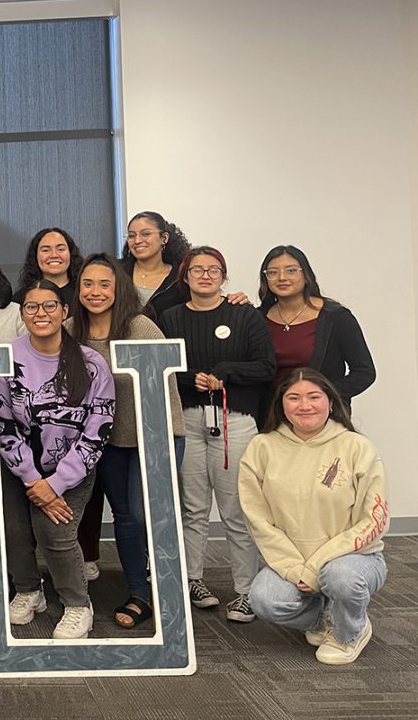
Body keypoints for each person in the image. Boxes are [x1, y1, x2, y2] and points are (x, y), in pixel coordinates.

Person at [158, 246, 275, 623]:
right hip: (187, 420)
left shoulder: (245, 316)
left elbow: (266, 367)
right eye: (197, 270)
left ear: (223, 276)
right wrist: (191, 379)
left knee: (236, 511)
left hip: (234, 421)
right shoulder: (170, 317)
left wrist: (226, 372)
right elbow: (161, 368)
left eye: (214, 270)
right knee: (192, 509)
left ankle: (245, 591)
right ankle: (194, 580)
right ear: (185, 277)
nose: (205, 276)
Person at [240, 369, 388, 665]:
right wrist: (297, 569)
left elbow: (374, 519)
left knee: (341, 577)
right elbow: (258, 520)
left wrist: (317, 565)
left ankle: (350, 633)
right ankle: (325, 616)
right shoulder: (261, 447)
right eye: (293, 397)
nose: (304, 405)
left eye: (314, 397)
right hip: (293, 560)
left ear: (331, 403)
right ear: (281, 404)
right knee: (263, 600)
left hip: (354, 559)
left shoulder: (357, 447)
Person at [70, 253, 183, 628]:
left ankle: (167, 589)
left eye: (105, 284)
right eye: (88, 284)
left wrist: (165, 439)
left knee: (145, 513)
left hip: (153, 436)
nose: (96, 291)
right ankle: (139, 592)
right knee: (125, 517)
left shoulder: (141, 327)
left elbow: (167, 391)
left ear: (119, 289)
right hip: (107, 441)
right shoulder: (69, 330)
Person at [0, 281, 115, 639]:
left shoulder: (92, 364)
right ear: (22, 314)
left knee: (54, 529)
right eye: (31, 307)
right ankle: (29, 591)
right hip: (19, 468)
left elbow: (99, 428)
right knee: (15, 530)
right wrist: (33, 478)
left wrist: (56, 483)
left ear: (65, 311)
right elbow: (2, 423)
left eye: (50, 306)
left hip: (73, 469)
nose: (41, 314)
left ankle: (78, 604)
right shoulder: (6, 357)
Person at [256, 245, 375, 408]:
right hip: (270, 417)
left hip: (323, 417)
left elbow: (364, 372)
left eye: (291, 270)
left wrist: (323, 396)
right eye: (273, 272)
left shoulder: (336, 317)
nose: (281, 277)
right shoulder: (257, 318)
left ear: (306, 275)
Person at [119, 211, 192, 318]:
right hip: (120, 335)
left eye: (146, 234)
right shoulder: (116, 271)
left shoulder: (181, 277)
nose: (137, 240)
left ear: (164, 238)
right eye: (131, 236)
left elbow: (202, 303)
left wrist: (225, 301)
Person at [17, 228, 84, 311]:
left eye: (60, 249)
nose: (54, 255)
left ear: (71, 254)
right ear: (35, 256)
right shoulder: (21, 300)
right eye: (46, 250)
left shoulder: (85, 295)